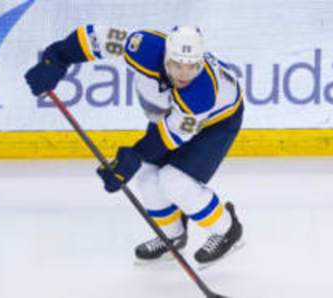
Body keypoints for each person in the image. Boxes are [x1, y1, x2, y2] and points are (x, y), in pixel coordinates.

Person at [25, 25, 244, 265]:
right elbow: (94, 38)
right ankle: (172, 236)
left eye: (192, 66)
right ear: (166, 56)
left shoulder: (201, 93)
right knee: (146, 176)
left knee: (175, 181)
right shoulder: (142, 47)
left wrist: (133, 156)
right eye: (177, 64)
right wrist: (56, 58)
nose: (184, 74)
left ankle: (227, 230)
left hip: (216, 123)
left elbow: (171, 136)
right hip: (171, 114)